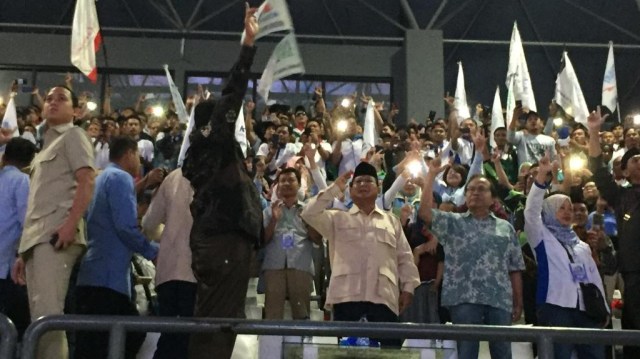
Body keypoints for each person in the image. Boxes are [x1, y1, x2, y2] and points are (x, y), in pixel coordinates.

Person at [180, 5, 262, 359]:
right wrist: (248, 44)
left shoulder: (198, 153)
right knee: (220, 321)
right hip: (225, 242)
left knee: (215, 317)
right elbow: (233, 91)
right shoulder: (215, 140)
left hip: (214, 242)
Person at [11, 85, 96, 359]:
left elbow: (86, 180)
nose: (53, 103)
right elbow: (39, 202)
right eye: (48, 99)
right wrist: (24, 252)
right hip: (39, 239)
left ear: (76, 110)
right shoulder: (45, 147)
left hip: (56, 235)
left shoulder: (74, 135)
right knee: (41, 318)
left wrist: (71, 224)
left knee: (48, 319)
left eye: (61, 99)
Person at [301, 161, 420, 348]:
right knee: (349, 354)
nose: (363, 184)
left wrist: (408, 288)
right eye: (358, 182)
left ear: (378, 187)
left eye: (368, 181)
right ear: (350, 189)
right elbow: (308, 213)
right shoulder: (337, 219)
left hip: (384, 299)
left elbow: (404, 257)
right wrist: (333, 190)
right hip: (346, 299)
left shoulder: (392, 222)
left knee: (388, 354)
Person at [419, 160, 525, 359]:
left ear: (493, 199)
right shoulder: (452, 222)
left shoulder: (506, 227)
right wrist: (431, 176)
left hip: (499, 297)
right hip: (463, 297)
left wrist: (517, 300)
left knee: (503, 353)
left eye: (482, 189)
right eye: (471, 189)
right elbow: (424, 213)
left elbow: (514, 267)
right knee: (467, 353)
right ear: (465, 196)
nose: (475, 192)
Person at [74, 136, 158, 359]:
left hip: (92, 272)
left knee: (91, 345)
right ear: (129, 153)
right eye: (138, 156)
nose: (139, 161)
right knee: (127, 336)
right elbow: (125, 227)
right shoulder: (121, 178)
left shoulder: (101, 177)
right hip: (109, 278)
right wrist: (153, 252)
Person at [524, 153, 608, 359]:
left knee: (594, 355)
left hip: (586, 308)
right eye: (561, 208)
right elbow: (531, 212)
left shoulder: (581, 245)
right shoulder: (541, 237)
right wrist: (542, 177)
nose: (567, 212)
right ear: (549, 211)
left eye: (569, 208)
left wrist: (604, 308)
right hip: (555, 306)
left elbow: (594, 277)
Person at [587, 107, 640, 357]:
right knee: (634, 333)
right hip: (635, 273)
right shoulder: (621, 196)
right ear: (625, 172)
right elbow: (598, 169)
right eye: (635, 160)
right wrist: (594, 131)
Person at [141, 166, 196, 359]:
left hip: (168, 270)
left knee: (168, 336)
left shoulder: (173, 178)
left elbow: (148, 223)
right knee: (189, 339)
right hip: (196, 271)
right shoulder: (216, 173)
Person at [262, 168, 322, 319]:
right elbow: (262, 240)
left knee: (301, 315)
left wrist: (307, 222)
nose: (287, 183)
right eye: (283, 181)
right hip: (274, 266)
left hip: (301, 265)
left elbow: (317, 239)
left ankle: (301, 343)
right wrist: (274, 220)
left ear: (298, 184)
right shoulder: (269, 211)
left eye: (291, 180)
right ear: (277, 186)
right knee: (272, 315)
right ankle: (272, 343)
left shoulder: (308, 210)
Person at [0, 138, 36, 338]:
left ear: (5, 157)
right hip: (6, 262)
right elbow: (26, 220)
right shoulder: (21, 180)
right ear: (30, 161)